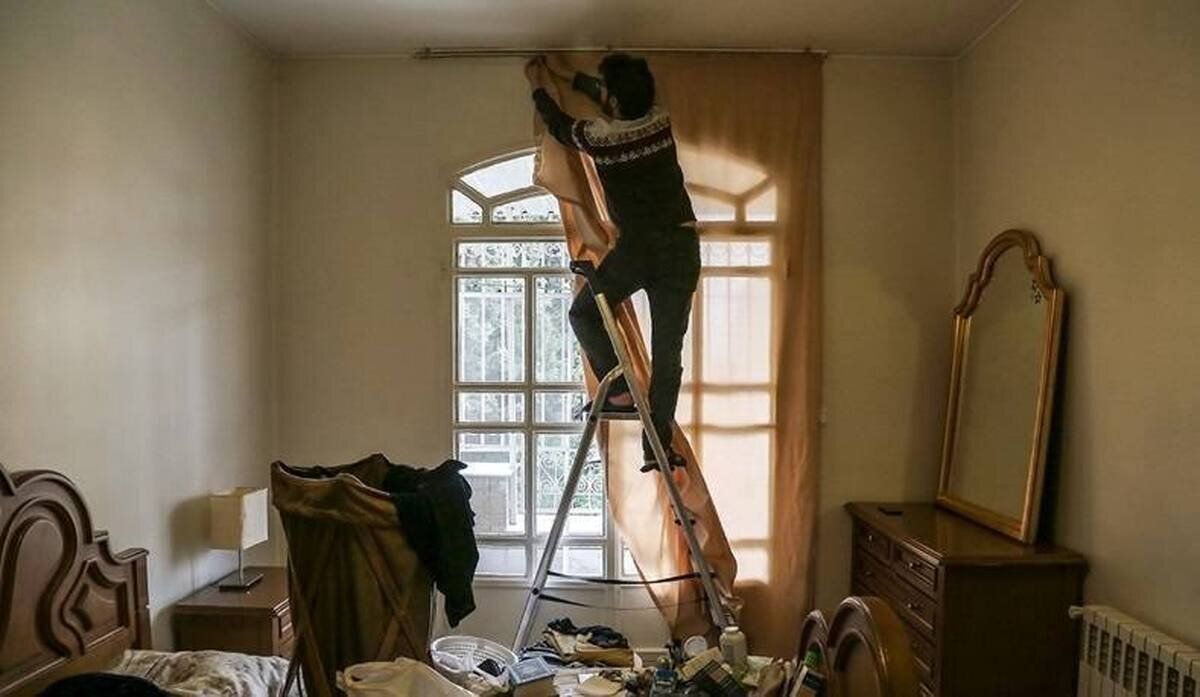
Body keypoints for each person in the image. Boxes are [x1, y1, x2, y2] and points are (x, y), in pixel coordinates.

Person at [526, 54, 698, 473]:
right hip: (680, 245)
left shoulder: (599, 137)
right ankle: (655, 444)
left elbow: (560, 126)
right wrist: (572, 76)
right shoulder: (660, 122)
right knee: (668, 351)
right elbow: (607, 96)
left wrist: (539, 87)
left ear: (615, 101)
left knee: (584, 313)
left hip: (639, 248)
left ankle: (618, 389)